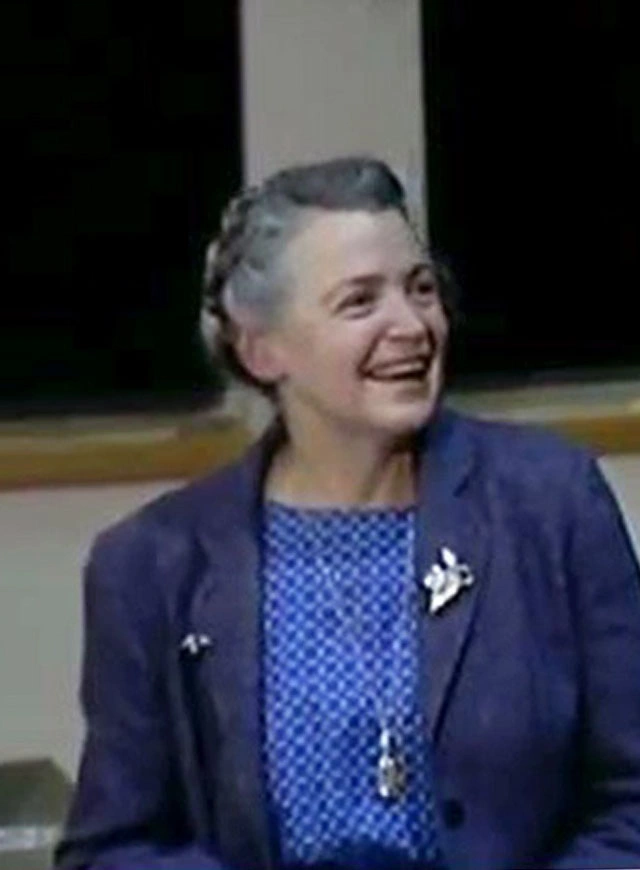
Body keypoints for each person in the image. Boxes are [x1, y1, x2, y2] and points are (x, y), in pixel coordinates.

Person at [54, 156, 640, 870]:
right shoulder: (153, 563)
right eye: (360, 302)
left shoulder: (550, 502)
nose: (412, 326)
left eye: (420, 289)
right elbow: (113, 850)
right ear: (260, 348)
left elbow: (631, 803)